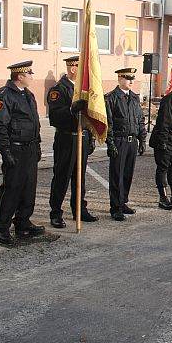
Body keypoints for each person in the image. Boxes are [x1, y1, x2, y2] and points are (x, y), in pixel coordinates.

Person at [0, 61, 46, 245]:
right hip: (15, 148)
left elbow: (34, 123)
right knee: (12, 189)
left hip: (29, 148)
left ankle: (23, 222)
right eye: (30, 74)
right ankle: (2, 227)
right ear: (20, 76)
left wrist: (37, 145)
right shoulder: (2, 96)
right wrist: (5, 151)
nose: (32, 76)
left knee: (29, 188)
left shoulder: (28, 95)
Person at [46, 55, 97, 229]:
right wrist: (70, 110)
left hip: (82, 136)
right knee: (62, 176)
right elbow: (54, 116)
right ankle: (56, 213)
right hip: (66, 137)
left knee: (80, 177)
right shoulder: (59, 89)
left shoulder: (84, 89)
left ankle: (79, 209)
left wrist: (90, 136)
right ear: (73, 68)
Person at [105, 67, 146, 221]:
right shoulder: (111, 98)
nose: (131, 81)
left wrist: (142, 140)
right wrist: (111, 144)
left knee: (127, 174)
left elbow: (140, 120)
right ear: (120, 79)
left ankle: (123, 203)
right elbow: (108, 123)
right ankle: (115, 207)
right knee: (117, 175)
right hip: (119, 140)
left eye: (132, 79)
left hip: (132, 141)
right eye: (128, 78)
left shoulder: (134, 98)